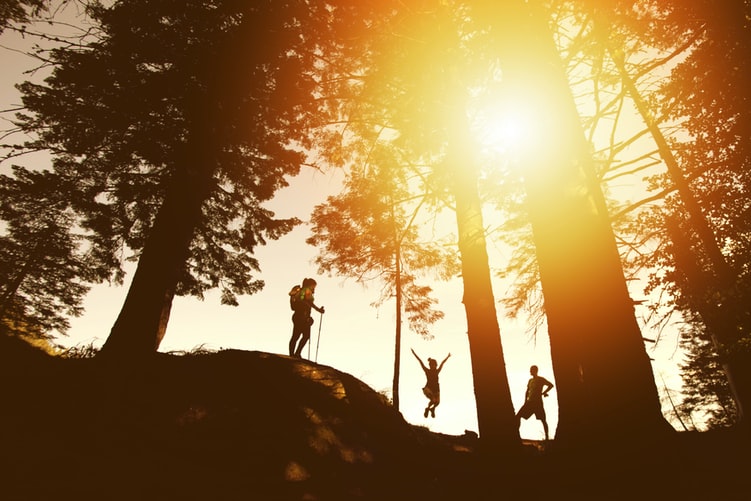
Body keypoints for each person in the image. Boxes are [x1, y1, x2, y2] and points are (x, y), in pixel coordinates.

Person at [288, 277, 325, 358]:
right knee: (302, 335)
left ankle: (293, 354)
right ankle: (296, 354)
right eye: (314, 286)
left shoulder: (301, 291)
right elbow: (309, 303)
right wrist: (319, 310)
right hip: (301, 316)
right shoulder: (306, 290)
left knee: (297, 335)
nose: (314, 288)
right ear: (310, 285)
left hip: (299, 316)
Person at [516, 365, 554, 440]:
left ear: (535, 371)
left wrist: (543, 393)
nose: (530, 371)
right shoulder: (530, 380)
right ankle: (517, 434)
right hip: (529, 403)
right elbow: (527, 391)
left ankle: (546, 437)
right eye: (530, 370)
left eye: (531, 370)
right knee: (518, 416)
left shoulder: (541, 379)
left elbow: (551, 385)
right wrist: (525, 401)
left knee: (543, 419)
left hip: (538, 403)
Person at [411, 348, 451, 418]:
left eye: (435, 365)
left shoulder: (437, 371)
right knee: (433, 400)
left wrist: (447, 357)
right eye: (432, 366)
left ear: (436, 365)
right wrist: (414, 354)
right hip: (428, 388)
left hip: (436, 389)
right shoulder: (427, 371)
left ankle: (432, 409)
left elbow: (442, 363)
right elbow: (420, 361)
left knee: (437, 403)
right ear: (430, 366)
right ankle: (428, 409)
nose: (434, 367)